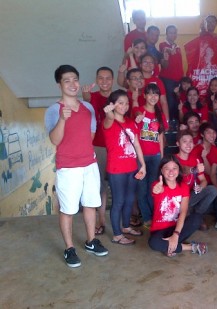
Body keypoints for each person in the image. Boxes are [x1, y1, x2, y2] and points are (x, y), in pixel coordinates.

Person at [45, 65, 108, 268]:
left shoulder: (87, 108)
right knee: (69, 209)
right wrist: (63, 119)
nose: (72, 84)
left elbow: (89, 136)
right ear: (59, 84)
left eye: (75, 80)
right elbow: (55, 140)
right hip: (68, 167)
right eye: (67, 80)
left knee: (90, 203)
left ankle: (91, 241)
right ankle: (69, 248)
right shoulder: (54, 110)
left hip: (89, 164)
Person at [102, 89, 146, 245]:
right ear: (112, 104)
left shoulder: (131, 122)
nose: (124, 106)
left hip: (132, 167)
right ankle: (117, 235)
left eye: (126, 103)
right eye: (120, 103)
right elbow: (109, 117)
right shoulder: (109, 121)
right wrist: (109, 112)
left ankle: (126, 227)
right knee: (119, 201)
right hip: (116, 170)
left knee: (129, 200)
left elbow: (137, 144)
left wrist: (143, 165)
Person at [148, 155, 208, 256]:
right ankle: (190, 247)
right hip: (159, 229)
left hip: (177, 227)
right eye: (167, 168)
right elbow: (156, 190)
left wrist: (176, 234)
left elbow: (183, 211)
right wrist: (156, 190)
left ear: (179, 170)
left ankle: (169, 247)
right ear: (162, 171)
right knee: (153, 243)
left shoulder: (183, 187)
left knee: (197, 218)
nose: (171, 172)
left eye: (174, 168)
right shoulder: (157, 185)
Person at [81, 66, 114, 235]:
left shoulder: (117, 98)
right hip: (98, 147)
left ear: (113, 80)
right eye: (100, 78)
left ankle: (123, 221)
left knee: (118, 185)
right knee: (99, 185)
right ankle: (101, 220)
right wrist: (86, 98)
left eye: (108, 78)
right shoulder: (91, 97)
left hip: (116, 147)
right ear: (96, 79)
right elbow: (85, 115)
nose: (104, 81)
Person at [134, 83, 168, 228]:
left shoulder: (160, 114)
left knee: (152, 188)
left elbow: (160, 137)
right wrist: (137, 119)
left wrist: (161, 157)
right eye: (150, 94)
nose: (153, 97)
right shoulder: (139, 111)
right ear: (144, 95)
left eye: (156, 94)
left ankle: (154, 216)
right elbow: (134, 129)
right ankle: (147, 217)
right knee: (141, 189)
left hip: (155, 156)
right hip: (140, 158)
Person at [175, 130, 217, 230]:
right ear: (178, 143)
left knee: (212, 190)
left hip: (191, 196)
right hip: (178, 198)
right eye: (185, 141)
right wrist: (194, 169)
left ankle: (196, 216)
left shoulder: (195, 159)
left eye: (191, 141)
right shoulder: (173, 159)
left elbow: (203, 180)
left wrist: (200, 187)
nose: (188, 144)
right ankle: (188, 215)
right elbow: (182, 169)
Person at [159, 25, 184, 123]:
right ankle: (168, 123)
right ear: (166, 34)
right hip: (167, 79)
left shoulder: (178, 47)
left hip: (178, 79)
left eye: (174, 32)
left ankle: (176, 122)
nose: (172, 34)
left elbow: (179, 64)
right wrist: (169, 50)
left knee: (178, 101)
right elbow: (165, 50)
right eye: (170, 32)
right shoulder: (163, 45)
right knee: (170, 102)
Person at [140, 53, 170, 121]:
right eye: (145, 62)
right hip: (139, 116)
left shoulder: (158, 81)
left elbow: (163, 102)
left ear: (154, 65)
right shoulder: (136, 80)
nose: (148, 64)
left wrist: (167, 120)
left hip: (155, 117)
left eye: (151, 62)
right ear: (140, 64)